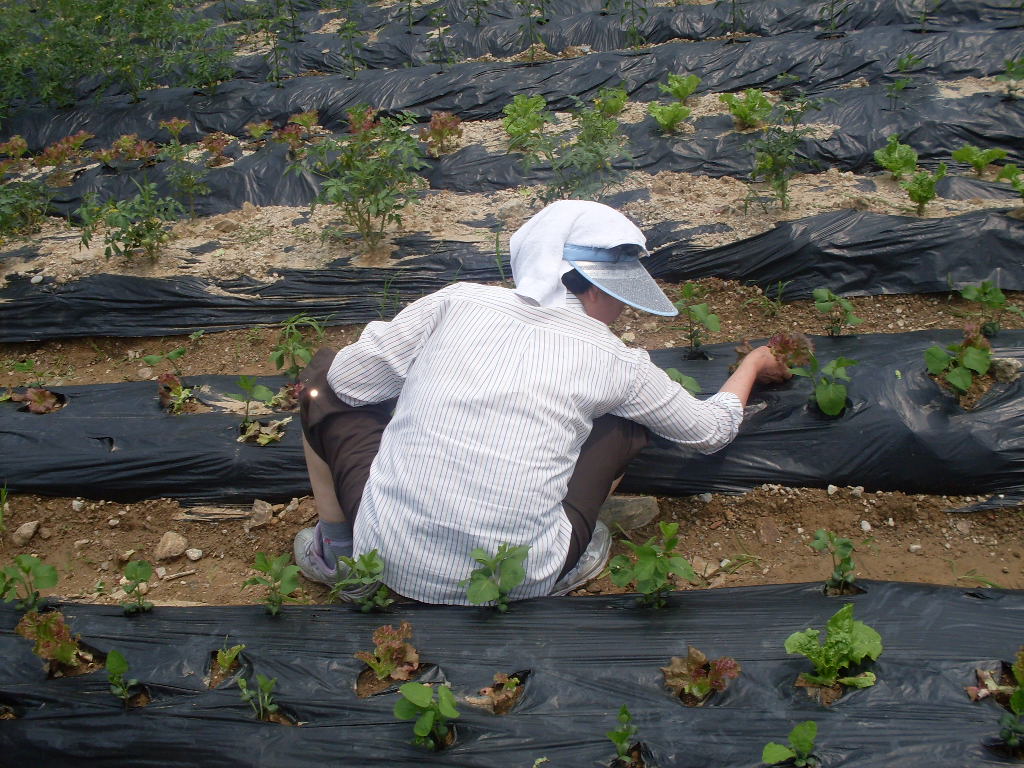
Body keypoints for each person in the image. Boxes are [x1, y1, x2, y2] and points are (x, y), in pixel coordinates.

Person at [293, 199, 790, 604]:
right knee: (627, 422)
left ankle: (341, 549)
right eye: (618, 294)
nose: (620, 309)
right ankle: (572, 551)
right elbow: (711, 431)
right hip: (517, 573)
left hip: (388, 553)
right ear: (593, 289)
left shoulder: (458, 302)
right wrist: (753, 365)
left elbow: (349, 381)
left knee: (321, 379)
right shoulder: (616, 361)